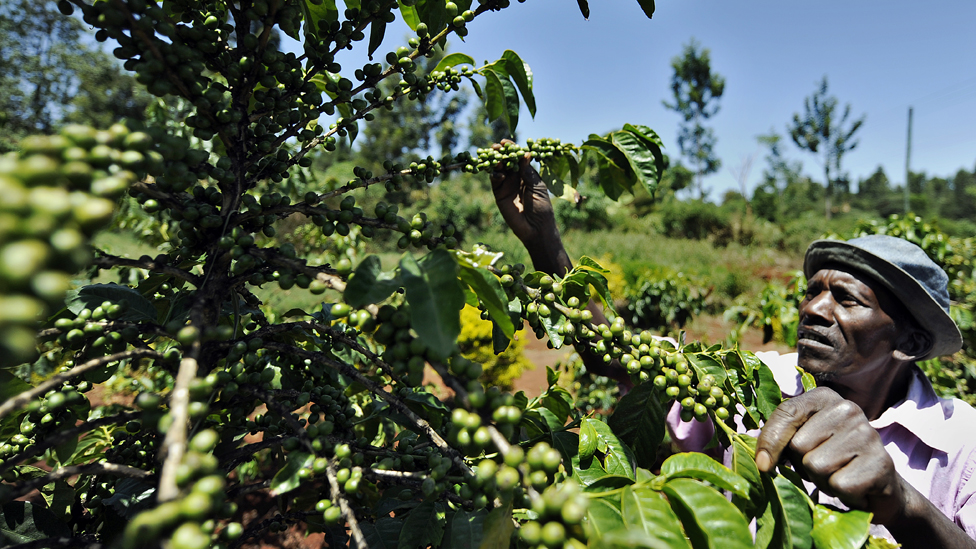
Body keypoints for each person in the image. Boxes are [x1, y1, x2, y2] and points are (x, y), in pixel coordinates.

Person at [490, 149, 976, 547]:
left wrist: (900, 502)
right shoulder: (756, 384)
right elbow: (619, 353)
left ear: (910, 342)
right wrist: (546, 240)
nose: (812, 309)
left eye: (847, 299)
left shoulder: (963, 443)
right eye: (813, 291)